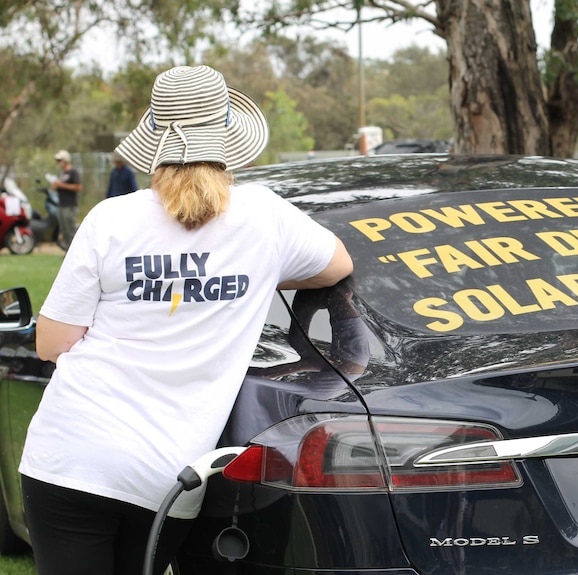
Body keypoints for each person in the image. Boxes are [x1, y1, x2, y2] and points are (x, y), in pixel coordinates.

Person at [19, 65, 354, 575]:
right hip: (168, 477)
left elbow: (51, 342)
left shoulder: (110, 219)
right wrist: (257, 277)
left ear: (154, 136)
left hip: (71, 456)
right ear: (226, 136)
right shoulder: (266, 216)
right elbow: (338, 266)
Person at [52, 149, 82, 250]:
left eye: (59, 160)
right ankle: (67, 252)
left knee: (70, 230)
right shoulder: (62, 173)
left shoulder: (73, 172)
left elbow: (78, 187)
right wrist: (56, 186)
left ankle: (75, 252)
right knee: (64, 230)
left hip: (70, 205)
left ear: (65, 160)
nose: (58, 162)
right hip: (61, 204)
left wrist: (62, 185)